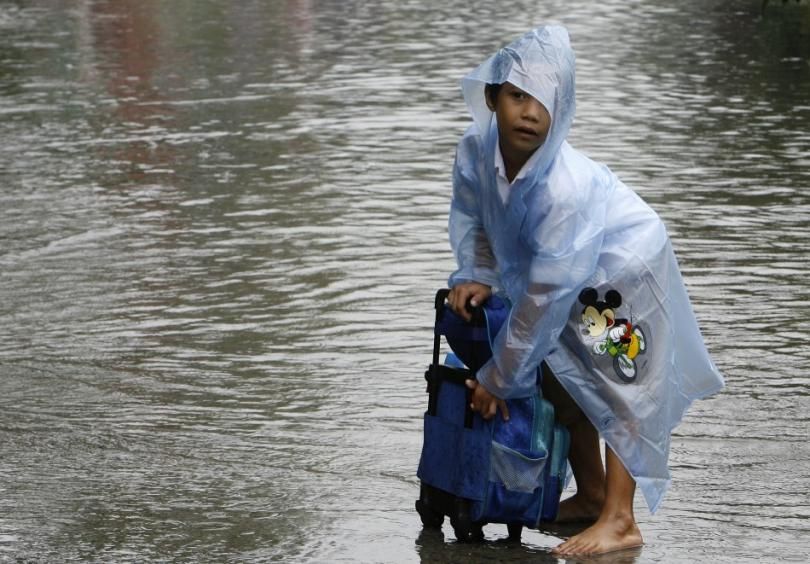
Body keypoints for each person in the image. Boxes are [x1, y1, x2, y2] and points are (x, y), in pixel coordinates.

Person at [444, 25, 724, 556]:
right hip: (571, 273)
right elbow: (475, 218)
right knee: (561, 379)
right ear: (491, 98)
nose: (530, 112)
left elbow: (542, 300)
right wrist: (476, 272)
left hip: (624, 268)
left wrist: (498, 379)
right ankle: (592, 496)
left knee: (624, 383)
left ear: (563, 107)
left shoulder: (562, 189)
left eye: (545, 100)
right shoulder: (475, 152)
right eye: (517, 95)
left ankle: (621, 520)